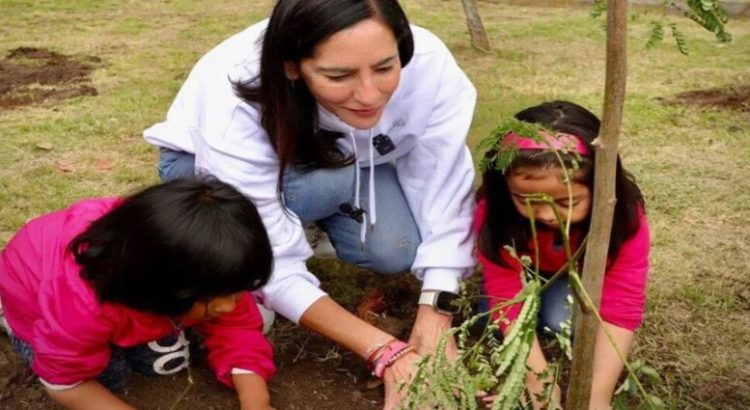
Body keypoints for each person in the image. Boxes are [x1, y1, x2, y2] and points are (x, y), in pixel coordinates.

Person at [143, 0, 476, 406]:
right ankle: (276, 243)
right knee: (307, 198)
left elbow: (443, 183)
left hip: (353, 163)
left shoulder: (431, 67)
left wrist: (437, 309)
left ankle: (307, 222)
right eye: (339, 75)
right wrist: (386, 351)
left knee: (395, 250)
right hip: (206, 172)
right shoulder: (234, 92)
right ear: (291, 66)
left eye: (386, 69)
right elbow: (275, 263)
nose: (370, 94)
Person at [0, 178, 276, 410]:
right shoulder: (81, 303)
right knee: (109, 377)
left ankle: (135, 332)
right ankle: (7, 318)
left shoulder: (208, 269)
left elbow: (238, 330)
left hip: (126, 305)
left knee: (166, 361)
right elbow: (64, 382)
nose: (229, 306)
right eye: (211, 298)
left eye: (237, 292)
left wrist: (256, 401)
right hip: (32, 303)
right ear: (157, 287)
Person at [475, 101, 650, 409]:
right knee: (493, 313)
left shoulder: (624, 219)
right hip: (525, 274)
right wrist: (537, 380)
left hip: (577, 274)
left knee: (560, 319)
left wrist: (596, 398)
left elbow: (622, 304)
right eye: (526, 200)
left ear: (601, 185)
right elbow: (506, 294)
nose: (546, 214)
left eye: (568, 201)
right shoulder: (495, 213)